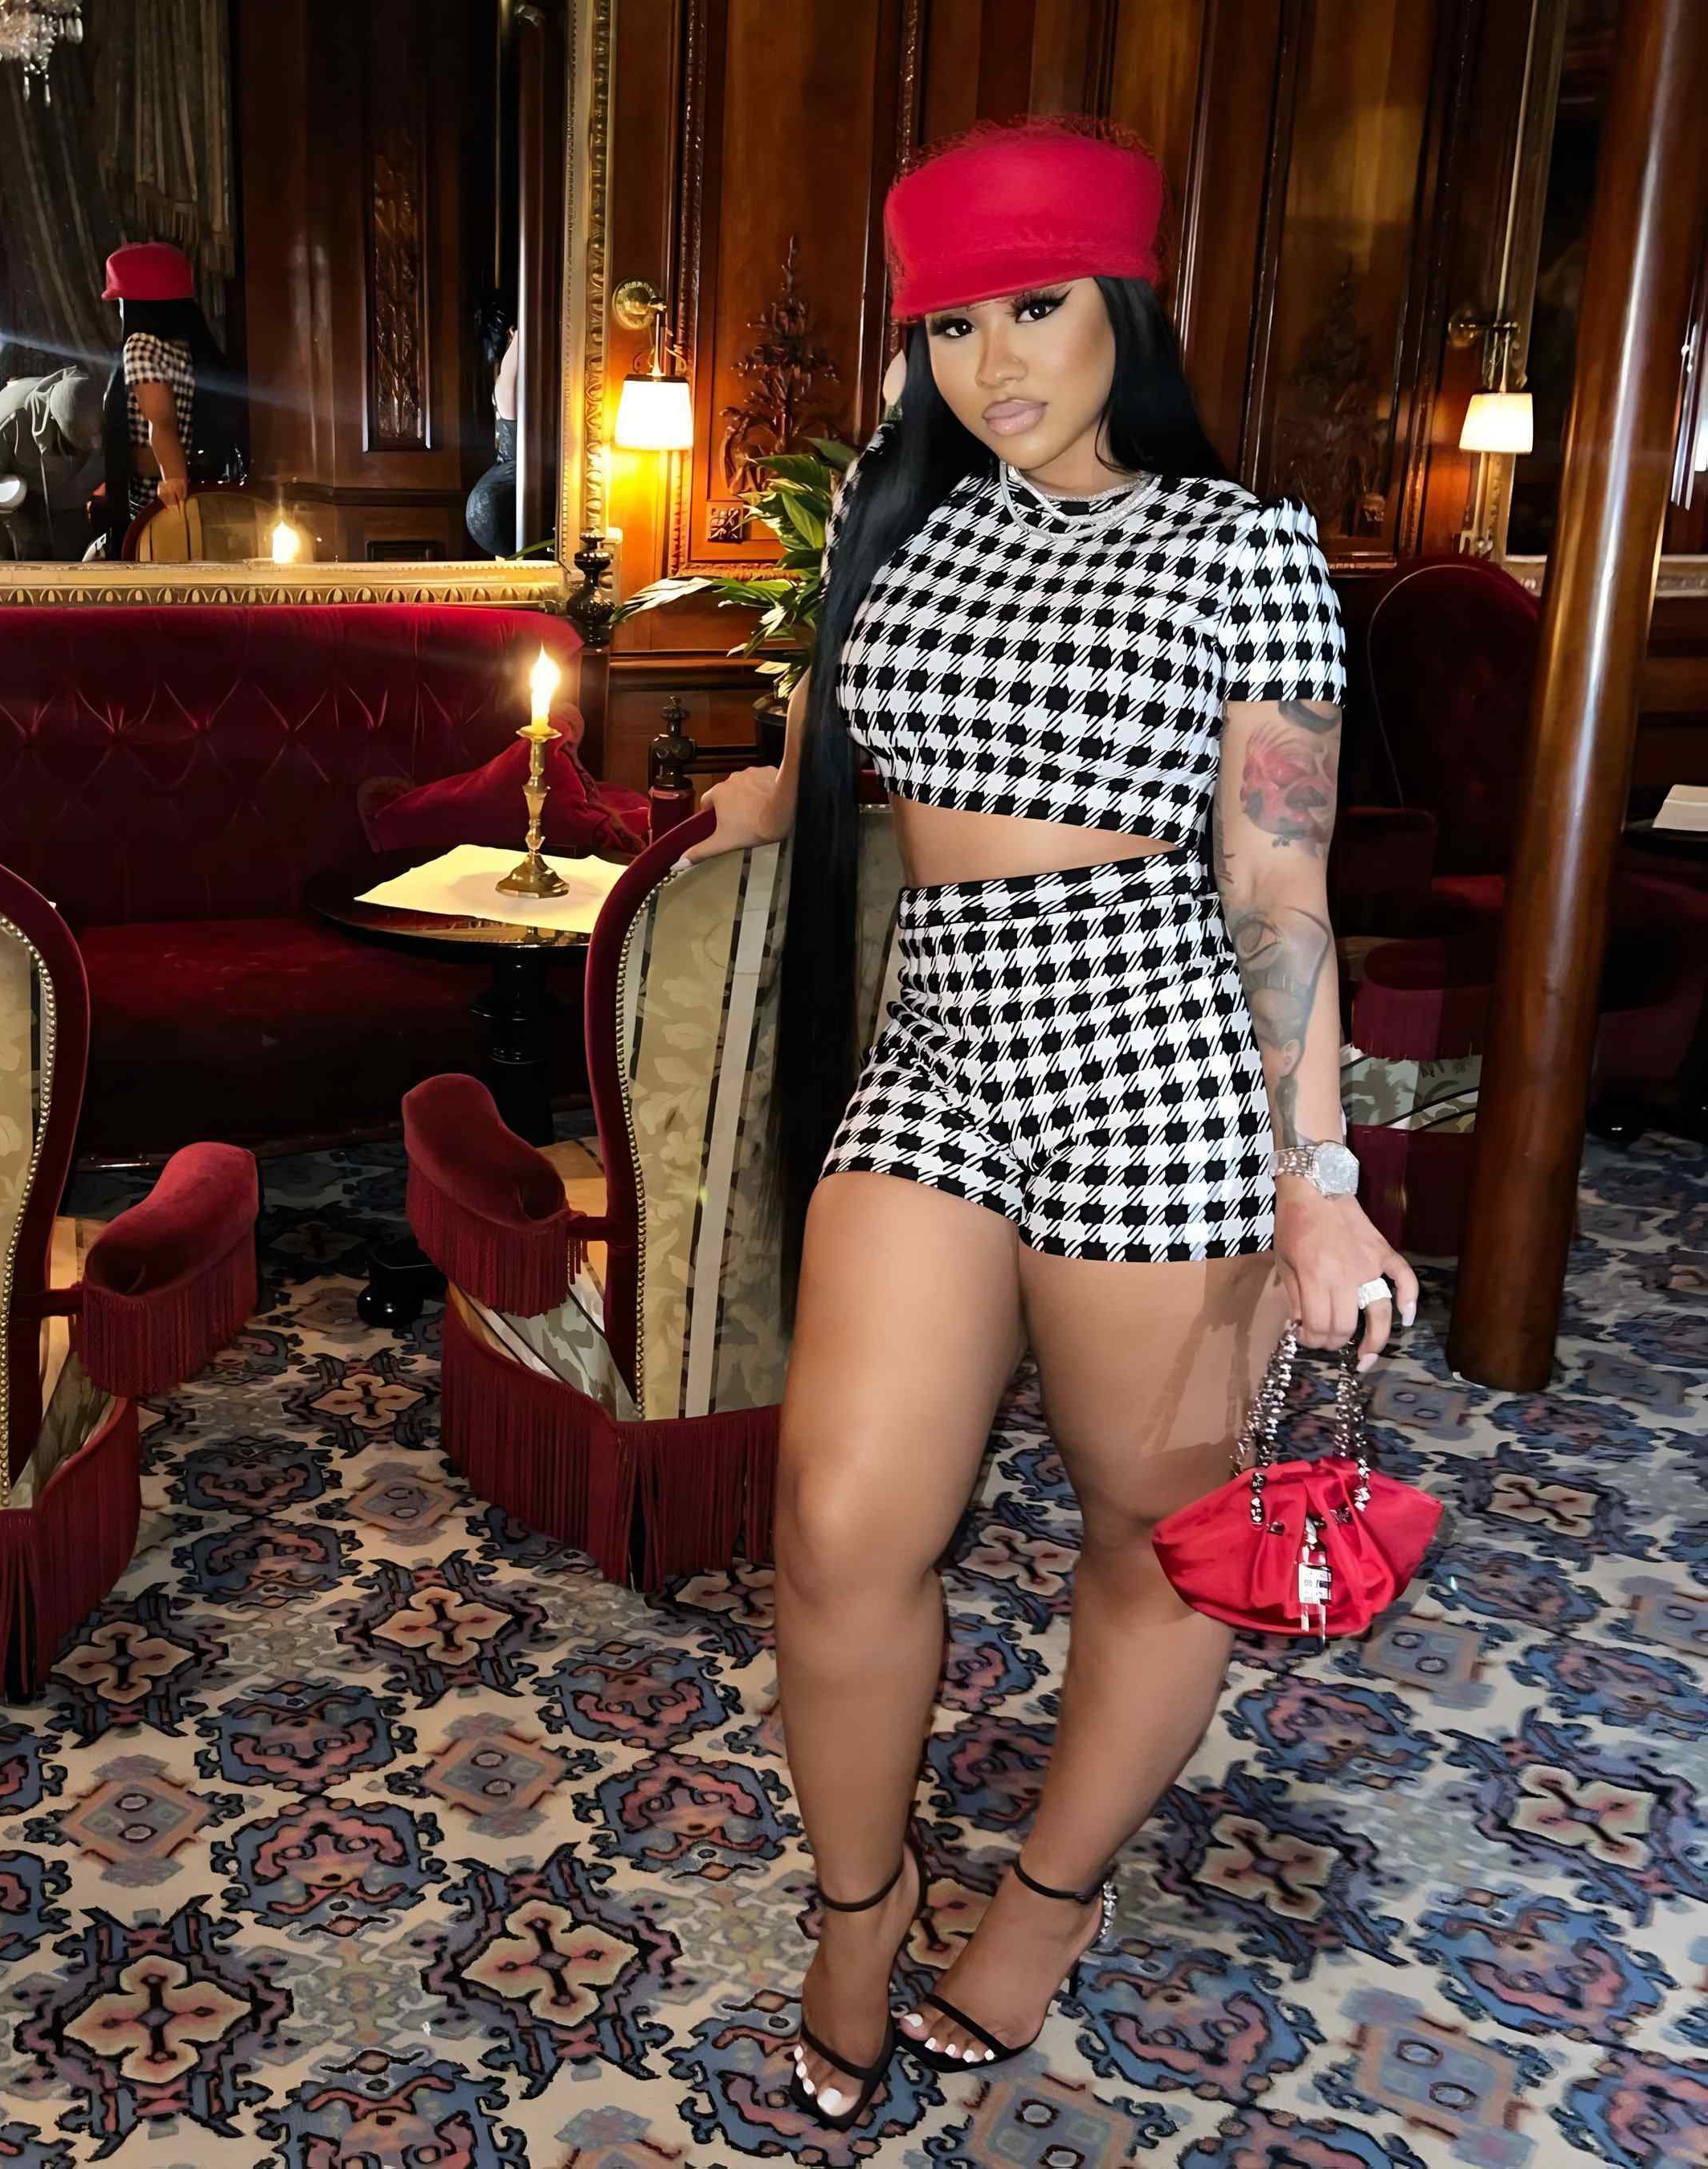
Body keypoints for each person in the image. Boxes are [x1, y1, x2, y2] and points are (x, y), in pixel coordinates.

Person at [679, 114, 1419, 2130]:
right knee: (841, 1522)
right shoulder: (900, 529)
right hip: (937, 1057)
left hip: (1156, 1073)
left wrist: (1318, 1180)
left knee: (1152, 1539)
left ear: (1127, 309)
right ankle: (860, 1909)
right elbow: (859, 764)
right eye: (949, 323)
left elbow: (1276, 881)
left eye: (1034, 307)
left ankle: (1047, 1901)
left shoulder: (1239, 545)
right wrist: (753, 803)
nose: (990, 361)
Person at [88, 240, 243, 558]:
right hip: (192, 497)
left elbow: (161, 420)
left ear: (133, 304)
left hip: (155, 500)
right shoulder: (185, 348)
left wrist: (172, 482)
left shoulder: (140, 345)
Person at [0, 365, 104, 558]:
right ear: (54, 422)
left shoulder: (92, 407)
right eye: (77, 442)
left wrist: (74, 495)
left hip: (69, 498)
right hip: (22, 501)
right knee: (27, 558)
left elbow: (99, 462)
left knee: (78, 556)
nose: (92, 446)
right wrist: (11, 504)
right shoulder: (10, 420)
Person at [465, 308, 519, 557]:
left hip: (501, 502)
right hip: (502, 500)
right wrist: (518, 335)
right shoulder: (507, 383)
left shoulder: (508, 383)